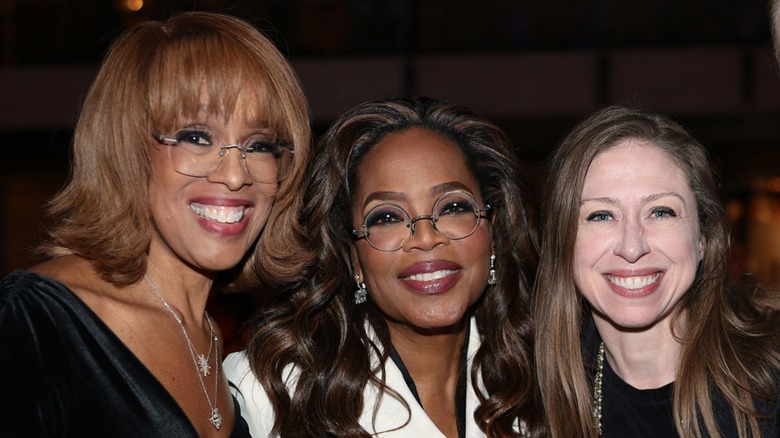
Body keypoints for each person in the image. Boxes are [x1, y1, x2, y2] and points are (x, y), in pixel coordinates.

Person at [0, 11, 311, 437]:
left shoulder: (213, 339)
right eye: (197, 137)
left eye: (259, 144)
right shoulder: (37, 320)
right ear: (128, 148)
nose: (236, 174)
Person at [224, 96, 544, 437]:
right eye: (387, 217)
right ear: (353, 256)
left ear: (492, 231)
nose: (425, 237)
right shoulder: (270, 390)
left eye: (452, 207)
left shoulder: (553, 375)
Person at [534, 105, 780, 438]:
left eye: (661, 212)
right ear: (562, 244)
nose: (632, 247)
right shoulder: (530, 397)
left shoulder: (771, 380)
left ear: (704, 237)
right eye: (601, 216)